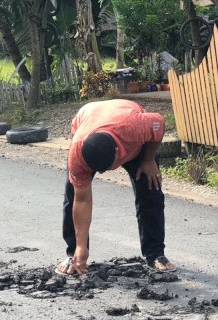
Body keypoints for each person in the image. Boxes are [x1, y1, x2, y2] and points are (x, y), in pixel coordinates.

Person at [55, 99, 176, 275]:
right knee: (73, 195)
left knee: (151, 192)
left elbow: (158, 122)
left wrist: (149, 159)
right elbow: (82, 201)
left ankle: (155, 254)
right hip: (88, 119)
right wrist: (81, 246)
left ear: (119, 153)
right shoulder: (78, 153)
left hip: (126, 123)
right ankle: (74, 254)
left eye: (107, 168)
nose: (102, 174)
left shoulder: (135, 128)